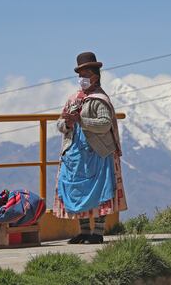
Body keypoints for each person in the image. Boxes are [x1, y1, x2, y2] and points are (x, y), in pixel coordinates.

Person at [53, 51, 127, 244]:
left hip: (98, 152)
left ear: (95, 76)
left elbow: (104, 124)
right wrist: (67, 124)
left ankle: (98, 232)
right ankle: (84, 231)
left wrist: (81, 120)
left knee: (100, 189)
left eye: (85, 75)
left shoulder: (100, 99)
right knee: (78, 189)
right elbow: (60, 124)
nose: (82, 79)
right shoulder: (72, 100)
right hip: (76, 153)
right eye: (80, 75)